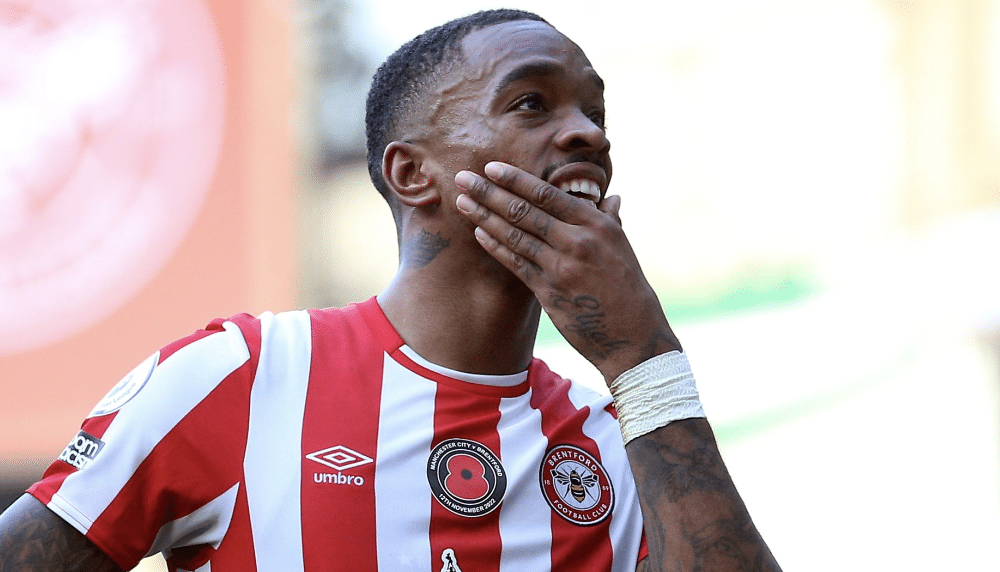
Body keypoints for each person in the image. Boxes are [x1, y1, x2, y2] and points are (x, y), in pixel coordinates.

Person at [0, 8, 781, 572]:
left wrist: (644, 358)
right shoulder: (240, 378)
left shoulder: (619, 438)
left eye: (595, 111)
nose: (589, 134)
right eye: (531, 103)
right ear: (413, 174)